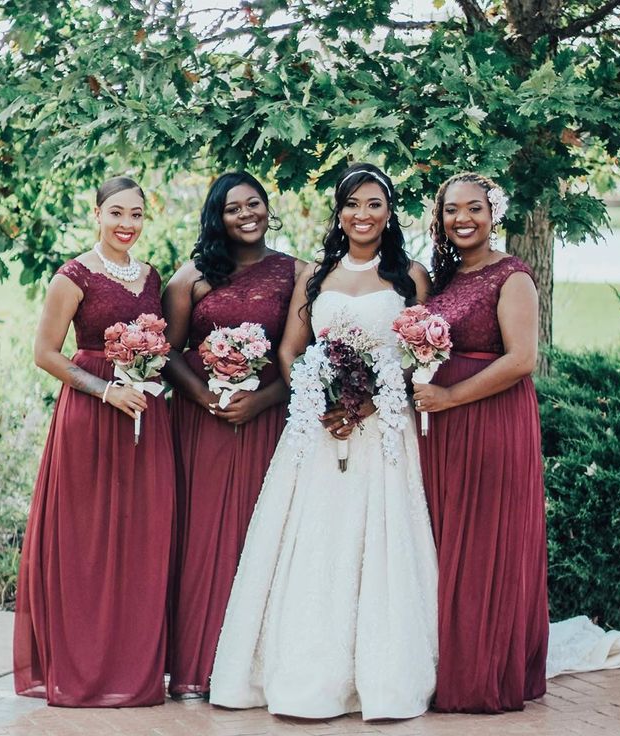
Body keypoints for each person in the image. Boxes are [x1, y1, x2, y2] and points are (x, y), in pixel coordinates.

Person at [209, 163, 438, 720]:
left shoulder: (410, 275)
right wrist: (325, 396)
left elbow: (420, 353)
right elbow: (291, 348)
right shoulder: (317, 273)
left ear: (389, 212)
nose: (362, 215)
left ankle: (381, 676)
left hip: (382, 429)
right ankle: (305, 671)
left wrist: (373, 400)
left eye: (374, 204)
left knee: (381, 543)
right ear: (339, 212)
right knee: (313, 544)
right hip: (319, 427)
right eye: (352, 204)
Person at [13, 176, 175, 707]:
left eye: (137, 215)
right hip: (91, 416)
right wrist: (106, 390)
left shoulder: (152, 277)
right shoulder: (73, 276)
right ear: (97, 214)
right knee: (88, 543)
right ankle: (84, 669)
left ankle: (132, 668)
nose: (127, 224)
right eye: (117, 213)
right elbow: (45, 353)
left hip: (145, 419)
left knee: (141, 540)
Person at [161, 172, 302, 698]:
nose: (247, 214)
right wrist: (203, 397)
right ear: (216, 216)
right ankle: (195, 664)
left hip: (266, 418)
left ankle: (250, 667)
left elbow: (299, 356)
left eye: (255, 203)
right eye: (233, 207)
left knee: (257, 534)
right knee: (203, 537)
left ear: (269, 208)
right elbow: (167, 349)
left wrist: (262, 401)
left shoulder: (297, 273)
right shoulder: (192, 276)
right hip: (202, 422)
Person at [413, 172, 549, 713]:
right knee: (448, 545)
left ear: (494, 213)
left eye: (474, 208)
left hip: (491, 422)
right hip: (445, 430)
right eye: (451, 210)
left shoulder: (511, 275)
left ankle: (483, 675)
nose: (462, 219)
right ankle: (448, 660)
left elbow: (521, 360)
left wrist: (450, 398)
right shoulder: (446, 277)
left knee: (483, 544)